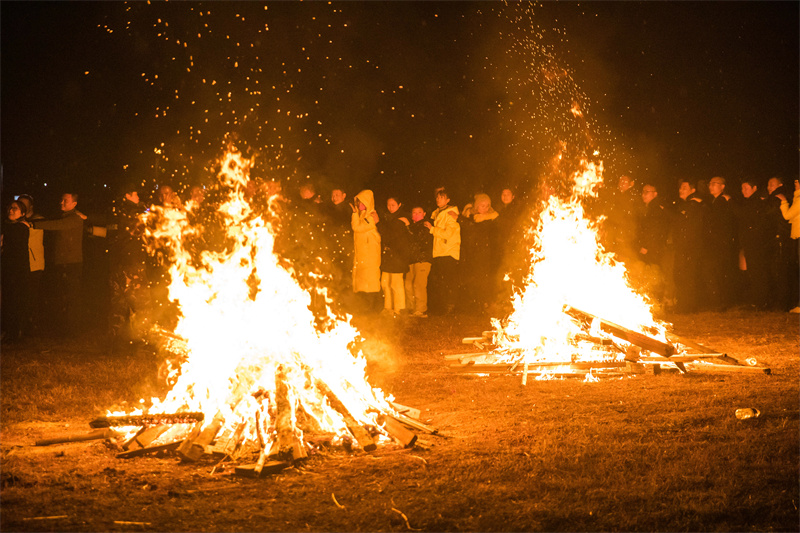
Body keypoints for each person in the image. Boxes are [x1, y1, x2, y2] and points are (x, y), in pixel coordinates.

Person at [31, 192, 85, 335]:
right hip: (63, 262)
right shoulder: (66, 216)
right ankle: (64, 327)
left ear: (74, 203)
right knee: (63, 295)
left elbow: (57, 225)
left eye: (65, 200)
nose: (61, 202)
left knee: (71, 297)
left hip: (71, 263)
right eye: (61, 200)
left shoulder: (75, 219)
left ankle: (73, 329)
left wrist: (33, 224)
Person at [108, 184, 150, 350]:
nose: (138, 197)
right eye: (135, 194)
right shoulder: (135, 213)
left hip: (118, 265)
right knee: (141, 305)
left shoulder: (115, 212)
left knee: (118, 306)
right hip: (133, 265)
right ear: (127, 195)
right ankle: (141, 341)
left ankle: (114, 342)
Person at [459, 193, 499, 312]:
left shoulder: (490, 219)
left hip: (483, 253)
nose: (485, 208)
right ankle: (474, 302)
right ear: (476, 207)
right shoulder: (470, 217)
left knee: (483, 278)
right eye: (482, 205)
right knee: (471, 277)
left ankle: (484, 302)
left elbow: (473, 229)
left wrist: (459, 218)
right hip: (471, 252)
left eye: (487, 206)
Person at [702, 176, 737, 310]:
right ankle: (718, 302)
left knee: (718, 272)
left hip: (719, 243)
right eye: (710, 183)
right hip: (715, 243)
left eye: (714, 184)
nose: (710, 186)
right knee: (715, 272)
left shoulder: (722, 201)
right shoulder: (714, 201)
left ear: (722, 186)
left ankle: (720, 302)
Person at [424, 188, 460, 315]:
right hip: (440, 251)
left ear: (448, 200)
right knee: (441, 281)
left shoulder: (450, 214)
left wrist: (432, 229)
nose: (438, 200)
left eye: (442, 197)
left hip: (448, 252)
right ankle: (442, 307)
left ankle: (450, 306)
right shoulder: (437, 213)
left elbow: (448, 234)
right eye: (437, 197)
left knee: (448, 281)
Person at [736, 179, 771, 308]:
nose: (743, 191)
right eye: (742, 188)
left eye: (746, 188)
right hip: (750, 242)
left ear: (754, 188)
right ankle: (757, 300)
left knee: (758, 272)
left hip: (756, 243)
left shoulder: (757, 202)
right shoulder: (749, 202)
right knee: (753, 271)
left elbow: (746, 216)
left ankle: (761, 301)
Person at [671, 179, 704, 313]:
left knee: (686, 276)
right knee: (681, 275)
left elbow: (686, 224)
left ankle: (687, 307)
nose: (681, 190)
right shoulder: (686, 204)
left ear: (692, 190)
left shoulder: (694, 204)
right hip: (683, 246)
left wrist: (665, 211)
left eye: (684, 188)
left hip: (689, 247)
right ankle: (683, 305)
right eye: (680, 188)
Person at [1, 200, 31, 341]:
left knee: (15, 300)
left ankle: (14, 332)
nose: (11, 210)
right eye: (10, 207)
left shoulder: (20, 228)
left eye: (15, 208)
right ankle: (8, 330)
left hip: (16, 271)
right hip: (8, 269)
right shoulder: (8, 226)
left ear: (22, 213)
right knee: (7, 300)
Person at [766, 177, 797, 310]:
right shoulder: (787, 196)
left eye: (772, 184)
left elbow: (772, 215)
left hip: (779, 238)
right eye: (768, 184)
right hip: (783, 237)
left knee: (779, 271)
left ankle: (781, 303)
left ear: (780, 185)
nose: (769, 187)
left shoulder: (777, 197)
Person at [17, 194, 45, 335]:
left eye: (24, 204)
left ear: (31, 206)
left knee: (32, 296)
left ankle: (33, 326)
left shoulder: (37, 221)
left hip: (34, 264)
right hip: (22, 264)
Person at [378, 197, 410, 316]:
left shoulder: (401, 218)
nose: (390, 208)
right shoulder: (388, 217)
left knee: (396, 283)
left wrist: (378, 223)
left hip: (398, 256)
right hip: (389, 256)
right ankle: (388, 307)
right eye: (388, 205)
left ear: (399, 204)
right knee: (385, 283)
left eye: (393, 205)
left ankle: (399, 308)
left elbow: (389, 236)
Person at [351, 190, 382, 313]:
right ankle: (365, 309)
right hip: (362, 256)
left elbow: (357, 227)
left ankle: (373, 309)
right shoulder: (362, 216)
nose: (360, 205)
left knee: (370, 284)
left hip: (370, 256)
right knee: (363, 284)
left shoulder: (371, 216)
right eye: (358, 202)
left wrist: (354, 214)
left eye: (362, 202)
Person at [404, 206, 433, 317]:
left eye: (419, 212)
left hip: (422, 259)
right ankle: (412, 308)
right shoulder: (412, 227)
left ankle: (421, 309)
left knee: (419, 284)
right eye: (414, 212)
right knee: (408, 284)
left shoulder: (425, 225)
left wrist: (407, 226)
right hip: (411, 260)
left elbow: (418, 239)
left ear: (424, 214)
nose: (416, 215)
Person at [777, 179, 800, 313]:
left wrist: (784, 202)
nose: (795, 184)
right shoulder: (797, 198)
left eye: (797, 182)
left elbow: (787, 216)